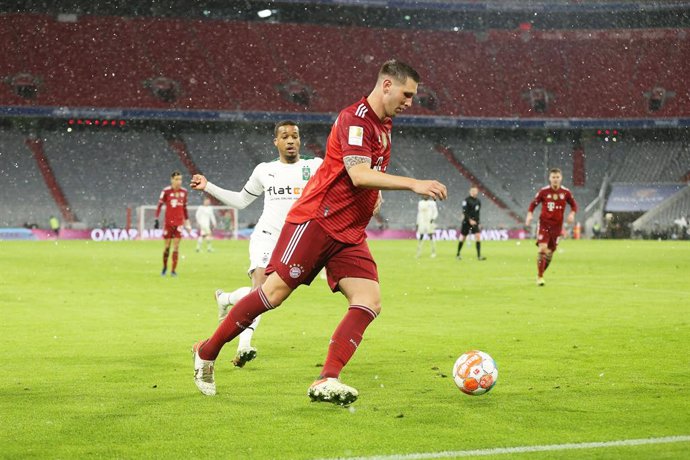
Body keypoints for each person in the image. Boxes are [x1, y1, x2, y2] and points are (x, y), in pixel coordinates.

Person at [191, 59, 447, 404]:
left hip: (349, 232)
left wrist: (377, 194)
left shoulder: (383, 125)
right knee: (272, 295)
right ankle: (206, 351)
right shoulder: (355, 120)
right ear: (387, 85)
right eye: (407, 94)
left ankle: (327, 379)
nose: (410, 102)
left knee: (369, 301)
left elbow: (364, 174)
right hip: (317, 221)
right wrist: (414, 183)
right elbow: (358, 174)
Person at [191, 120, 323, 367]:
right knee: (260, 290)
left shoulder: (315, 166)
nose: (291, 140)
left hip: (295, 242)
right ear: (276, 142)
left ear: (300, 140)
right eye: (285, 136)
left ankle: (226, 298)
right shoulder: (264, 170)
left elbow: (345, 181)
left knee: (270, 298)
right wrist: (208, 186)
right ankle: (244, 346)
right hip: (267, 236)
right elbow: (241, 201)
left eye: (295, 136)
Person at [525, 168, 578, 286]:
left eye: (557, 177)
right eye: (553, 177)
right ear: (550, 178)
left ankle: (540, 271)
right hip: (544, 224)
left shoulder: (566, 192)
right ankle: (540, 277)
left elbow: (574, 205)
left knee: (549, 253)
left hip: (557, 227)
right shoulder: (543, 191)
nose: (555, 179)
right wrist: (529, 215)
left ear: (561, 178)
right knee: (542, 249)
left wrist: (572, 214)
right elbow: (533, 204)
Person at [155, 171, 191, 277]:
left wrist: (187, 223)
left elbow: (185, 209)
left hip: (179, 223)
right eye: (176, 179)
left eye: (180, 179)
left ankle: (173, 270)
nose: (179, 182)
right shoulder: (166, 191)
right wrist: (156, 218)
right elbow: (159, 205)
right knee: (167, 247)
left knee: (176, 247)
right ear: (172, 180)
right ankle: (164, 267)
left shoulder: (184, 192)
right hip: (168, 223)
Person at [456, 185, 486, 260]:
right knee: (463, 237)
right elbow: (464, 212)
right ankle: (458, 254)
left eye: (475, 191)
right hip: (466, 222)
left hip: (475, 222)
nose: (474, 192)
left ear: (477, 191)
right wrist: (469, 220)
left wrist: (478, 222)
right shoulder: (466, 200)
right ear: (470, 191)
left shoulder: (478, 201)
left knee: (478, 236)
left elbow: (477, 213)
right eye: (472, 191)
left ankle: (479, 256)